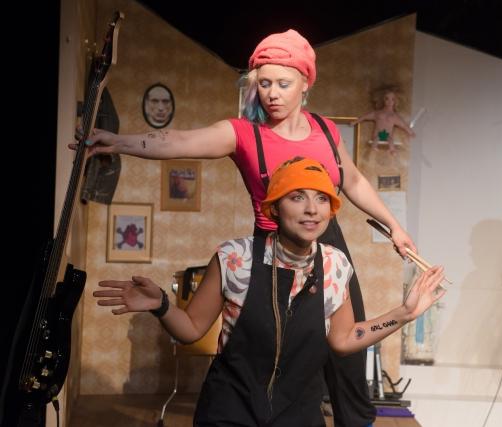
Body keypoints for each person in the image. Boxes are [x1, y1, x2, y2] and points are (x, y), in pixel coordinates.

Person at [71, 29, 417, 426]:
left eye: (283, 83)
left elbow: (352, 181)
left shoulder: (325, 130)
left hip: (327, 243)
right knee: (272, 352)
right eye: (264, 83)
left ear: (305, 84)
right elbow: (177, 140)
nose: (272, 94)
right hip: (271, 247)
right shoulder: (244, 134)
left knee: (348, 357)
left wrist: (394, 227)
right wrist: (119, 142)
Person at [94, 157, 446, 426]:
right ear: (275, 207)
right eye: (297, 197)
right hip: (229, 410)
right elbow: (191, 329)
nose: (312, 209)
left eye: (321, 199)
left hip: (299, 415)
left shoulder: (335, 265)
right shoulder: (235, 257)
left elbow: (343, 339)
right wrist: (161, 304)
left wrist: (404, 314)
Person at [351, 85, 415, 155]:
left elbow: (404, 125)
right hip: (377, 134)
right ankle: (374, 148)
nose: (390, 101)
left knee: (390, 140)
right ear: (383, 100)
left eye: (393, 99)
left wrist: (410, 132)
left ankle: (392, 150)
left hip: (387, 135)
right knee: (376, 139)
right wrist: (355, 122)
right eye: (387, 99)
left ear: (395, 101)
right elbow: (365, 117)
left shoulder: (395, 116)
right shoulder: (378, 113)